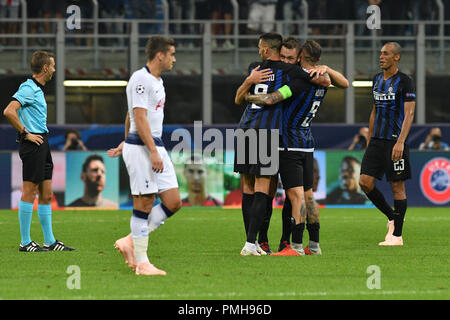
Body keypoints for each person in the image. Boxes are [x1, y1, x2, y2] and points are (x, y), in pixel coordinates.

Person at [245, 38, 348, 256]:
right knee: (308, 195)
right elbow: (345, 83)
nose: (286, 62)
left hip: (288, 142)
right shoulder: (322, 78)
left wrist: (247, 95)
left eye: (290, 58)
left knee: (295, 195)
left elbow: (273, 98)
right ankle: (315, 244)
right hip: (307, 143)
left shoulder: (300, 79)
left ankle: (296, 246)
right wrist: (326, 68)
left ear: (300, 56)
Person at [108, 36, 182, 276]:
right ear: (159, 55)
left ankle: (131, 240)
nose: (174, 59)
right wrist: (147, 148)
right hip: (143, 147)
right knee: (144, 203)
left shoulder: (158, 81)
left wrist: (125, 138)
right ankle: (142, 263)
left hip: (152, 144)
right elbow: (138, 117)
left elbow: (132, 115)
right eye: (171, 54)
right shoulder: (140, 79)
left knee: (173, 201)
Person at [3, 51, 74, 252]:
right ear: (44, 68)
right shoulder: (28, 88)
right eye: (52, 66)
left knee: (46, 192)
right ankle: (25, 242)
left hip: (42, 141)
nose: (54, 69)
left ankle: (50, 241)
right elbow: (9, 111)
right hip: (32, 142)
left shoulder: (36, 89)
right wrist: (25, 133)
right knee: (30, 190)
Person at [359, 42, 416, 246]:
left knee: (397, 186)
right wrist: (369, 138)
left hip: (395, 141)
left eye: (386, 54)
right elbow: (374, 111)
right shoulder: (376, 80)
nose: (381, 57)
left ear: (396, 57)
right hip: (376, 141)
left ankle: (397, 236)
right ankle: (392, 217)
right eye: (381, 53)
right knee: (364, 182)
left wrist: (401, 142)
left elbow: (409, 114)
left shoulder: (405, 81)